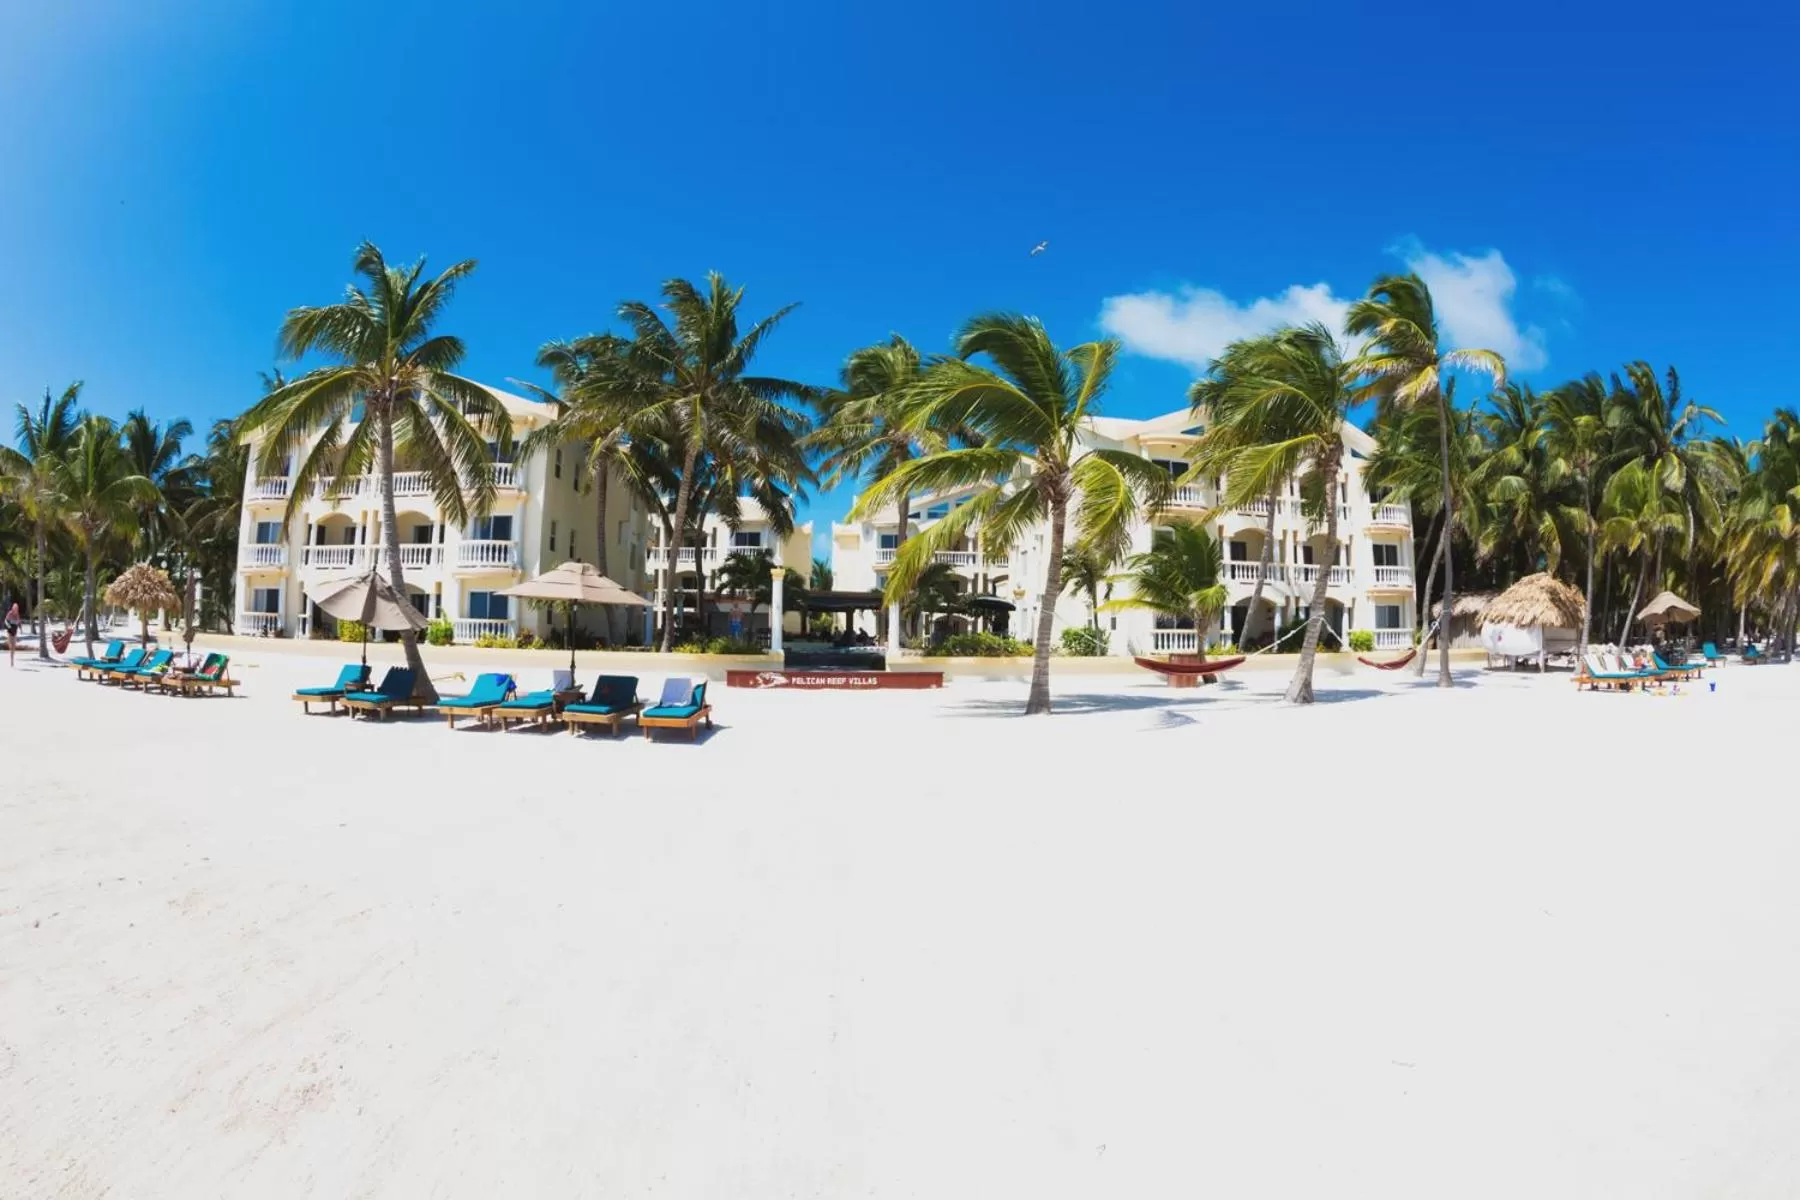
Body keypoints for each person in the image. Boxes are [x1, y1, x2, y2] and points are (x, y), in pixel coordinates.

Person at [4, 601, 20, 668]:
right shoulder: (10, 613)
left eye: (17, 608)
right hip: (10, 631)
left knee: (14, 647)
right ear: (13, 608)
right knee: (11, 646)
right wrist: (9, 626)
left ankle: (12, 659)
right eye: (15, 607)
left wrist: (20, 629)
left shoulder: (17, 614)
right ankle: (11, 661)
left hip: (15, 631)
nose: (16, 609)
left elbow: (19, 622)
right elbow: (5, 620)